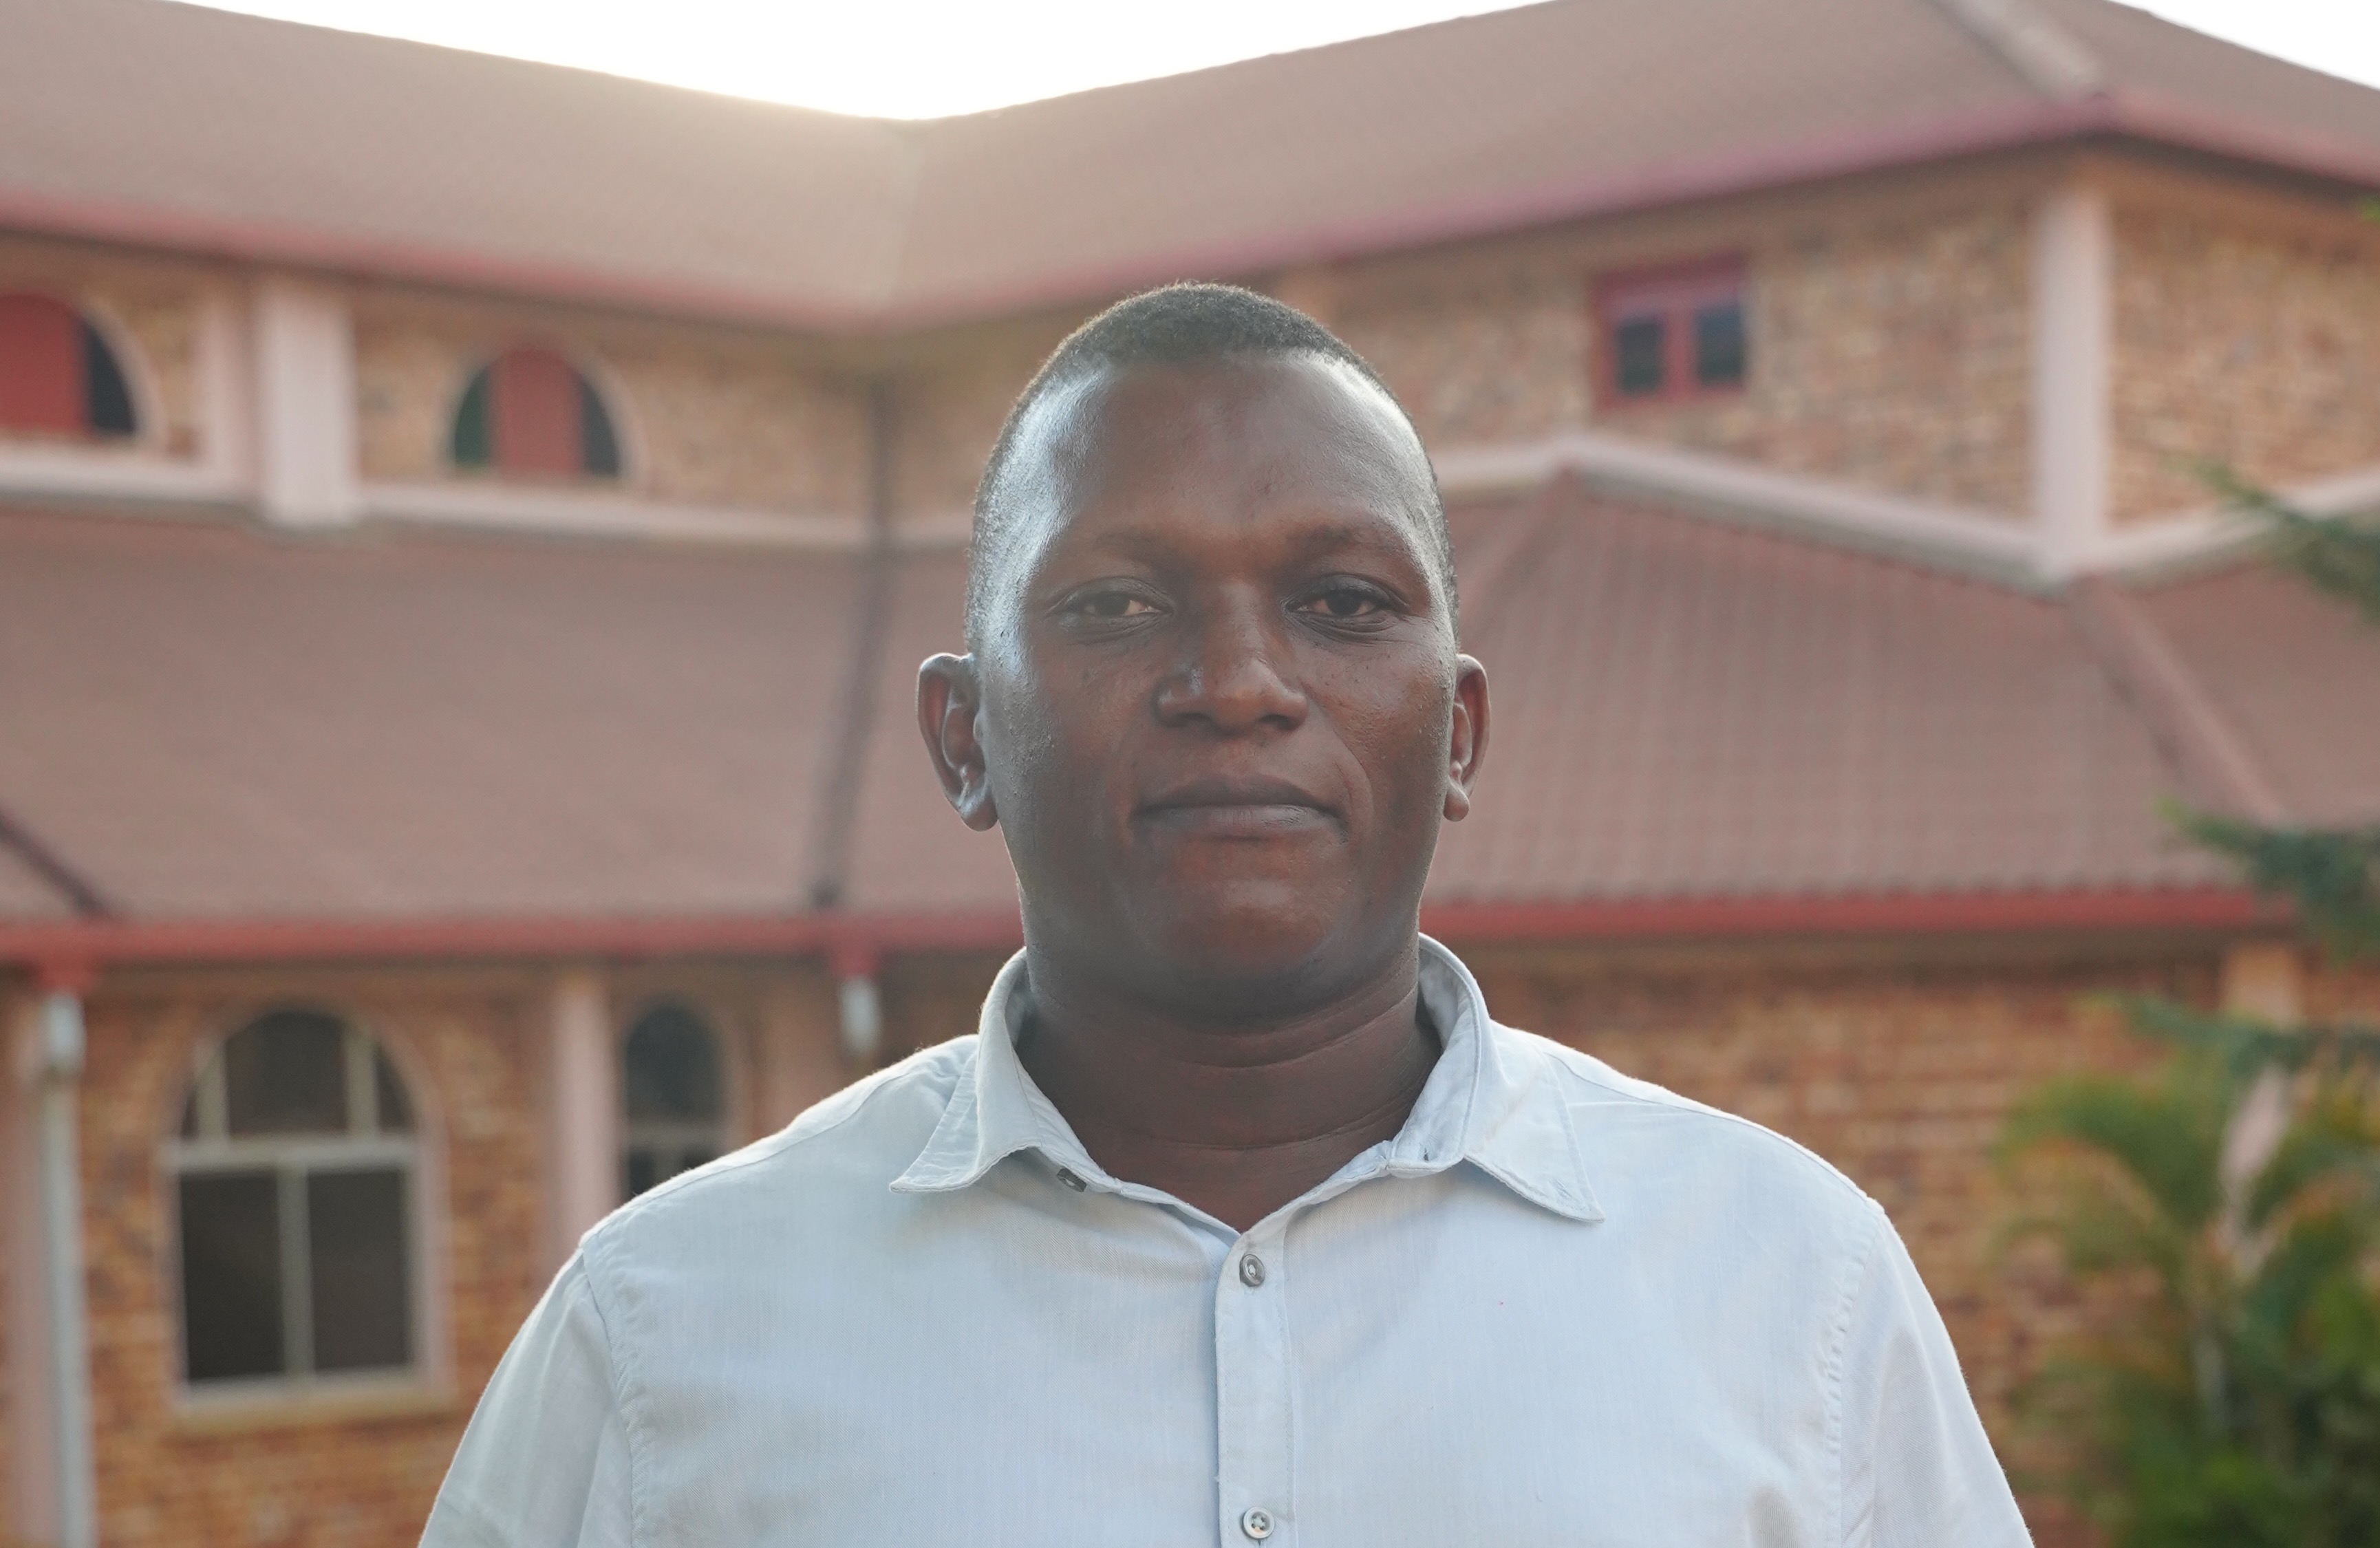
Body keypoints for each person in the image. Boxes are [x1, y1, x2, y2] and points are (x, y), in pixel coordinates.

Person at [420, 284, 2033, 1547]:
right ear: (964, 738)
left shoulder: (1788, 1285)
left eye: (1341, 604)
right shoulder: (663, 1333)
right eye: (1118, 606)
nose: (1240, 686)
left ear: (1456, 733)